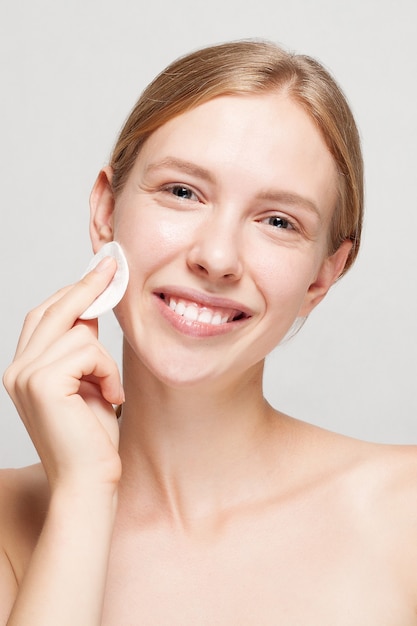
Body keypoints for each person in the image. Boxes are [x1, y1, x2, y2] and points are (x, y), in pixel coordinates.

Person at [1, 39, 416, 625]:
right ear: (104, 213)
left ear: (322, 277)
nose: (218, 257)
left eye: (278, 221)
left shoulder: (406, 511)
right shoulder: (6, 524)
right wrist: (84, 496)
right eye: (182, 192)